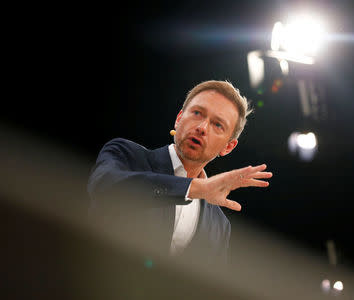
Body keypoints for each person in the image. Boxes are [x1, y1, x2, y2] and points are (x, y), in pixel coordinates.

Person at [87, 80, 272, 265]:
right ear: (179, 118)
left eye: (217, 125)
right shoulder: (126, 155)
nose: (202, 128)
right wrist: (194, 188)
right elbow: (103, 188)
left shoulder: (220, 227)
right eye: (197, 113)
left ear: (228, 147)